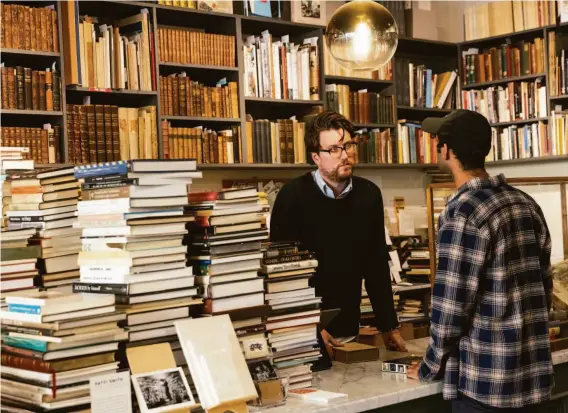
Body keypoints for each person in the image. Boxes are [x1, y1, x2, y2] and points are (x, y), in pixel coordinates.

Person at [406, 110, 553, 413]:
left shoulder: (462, 212)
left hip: (486, 387)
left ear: (446, 150)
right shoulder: (526, 203)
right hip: (534, 381)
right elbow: (545, 286)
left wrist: (428, 365)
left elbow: (451, 307)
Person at [269, 111, 407, 357]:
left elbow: (375, 265)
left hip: (349, 329)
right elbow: (283, 276)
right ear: (316, 157)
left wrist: (389, 325)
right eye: (333, 149)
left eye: (348, 146)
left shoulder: (369, 195)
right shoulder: (292, 197)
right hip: (301, 334)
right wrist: (313, 326)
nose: (345, 155)